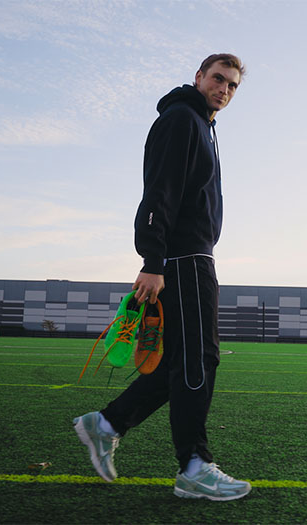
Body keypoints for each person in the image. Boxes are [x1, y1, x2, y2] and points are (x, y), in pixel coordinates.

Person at [73, 53, 250, 501]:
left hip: (193, 256)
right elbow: (159, 191)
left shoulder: (203, 126)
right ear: (199, 77)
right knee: (199, 360)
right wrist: (152, 260)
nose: (224, 89)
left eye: (232, 85)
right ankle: (194, 466)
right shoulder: (181, 120)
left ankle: (107, 424)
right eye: (218, 79)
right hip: (183, 259)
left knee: (179, 363)